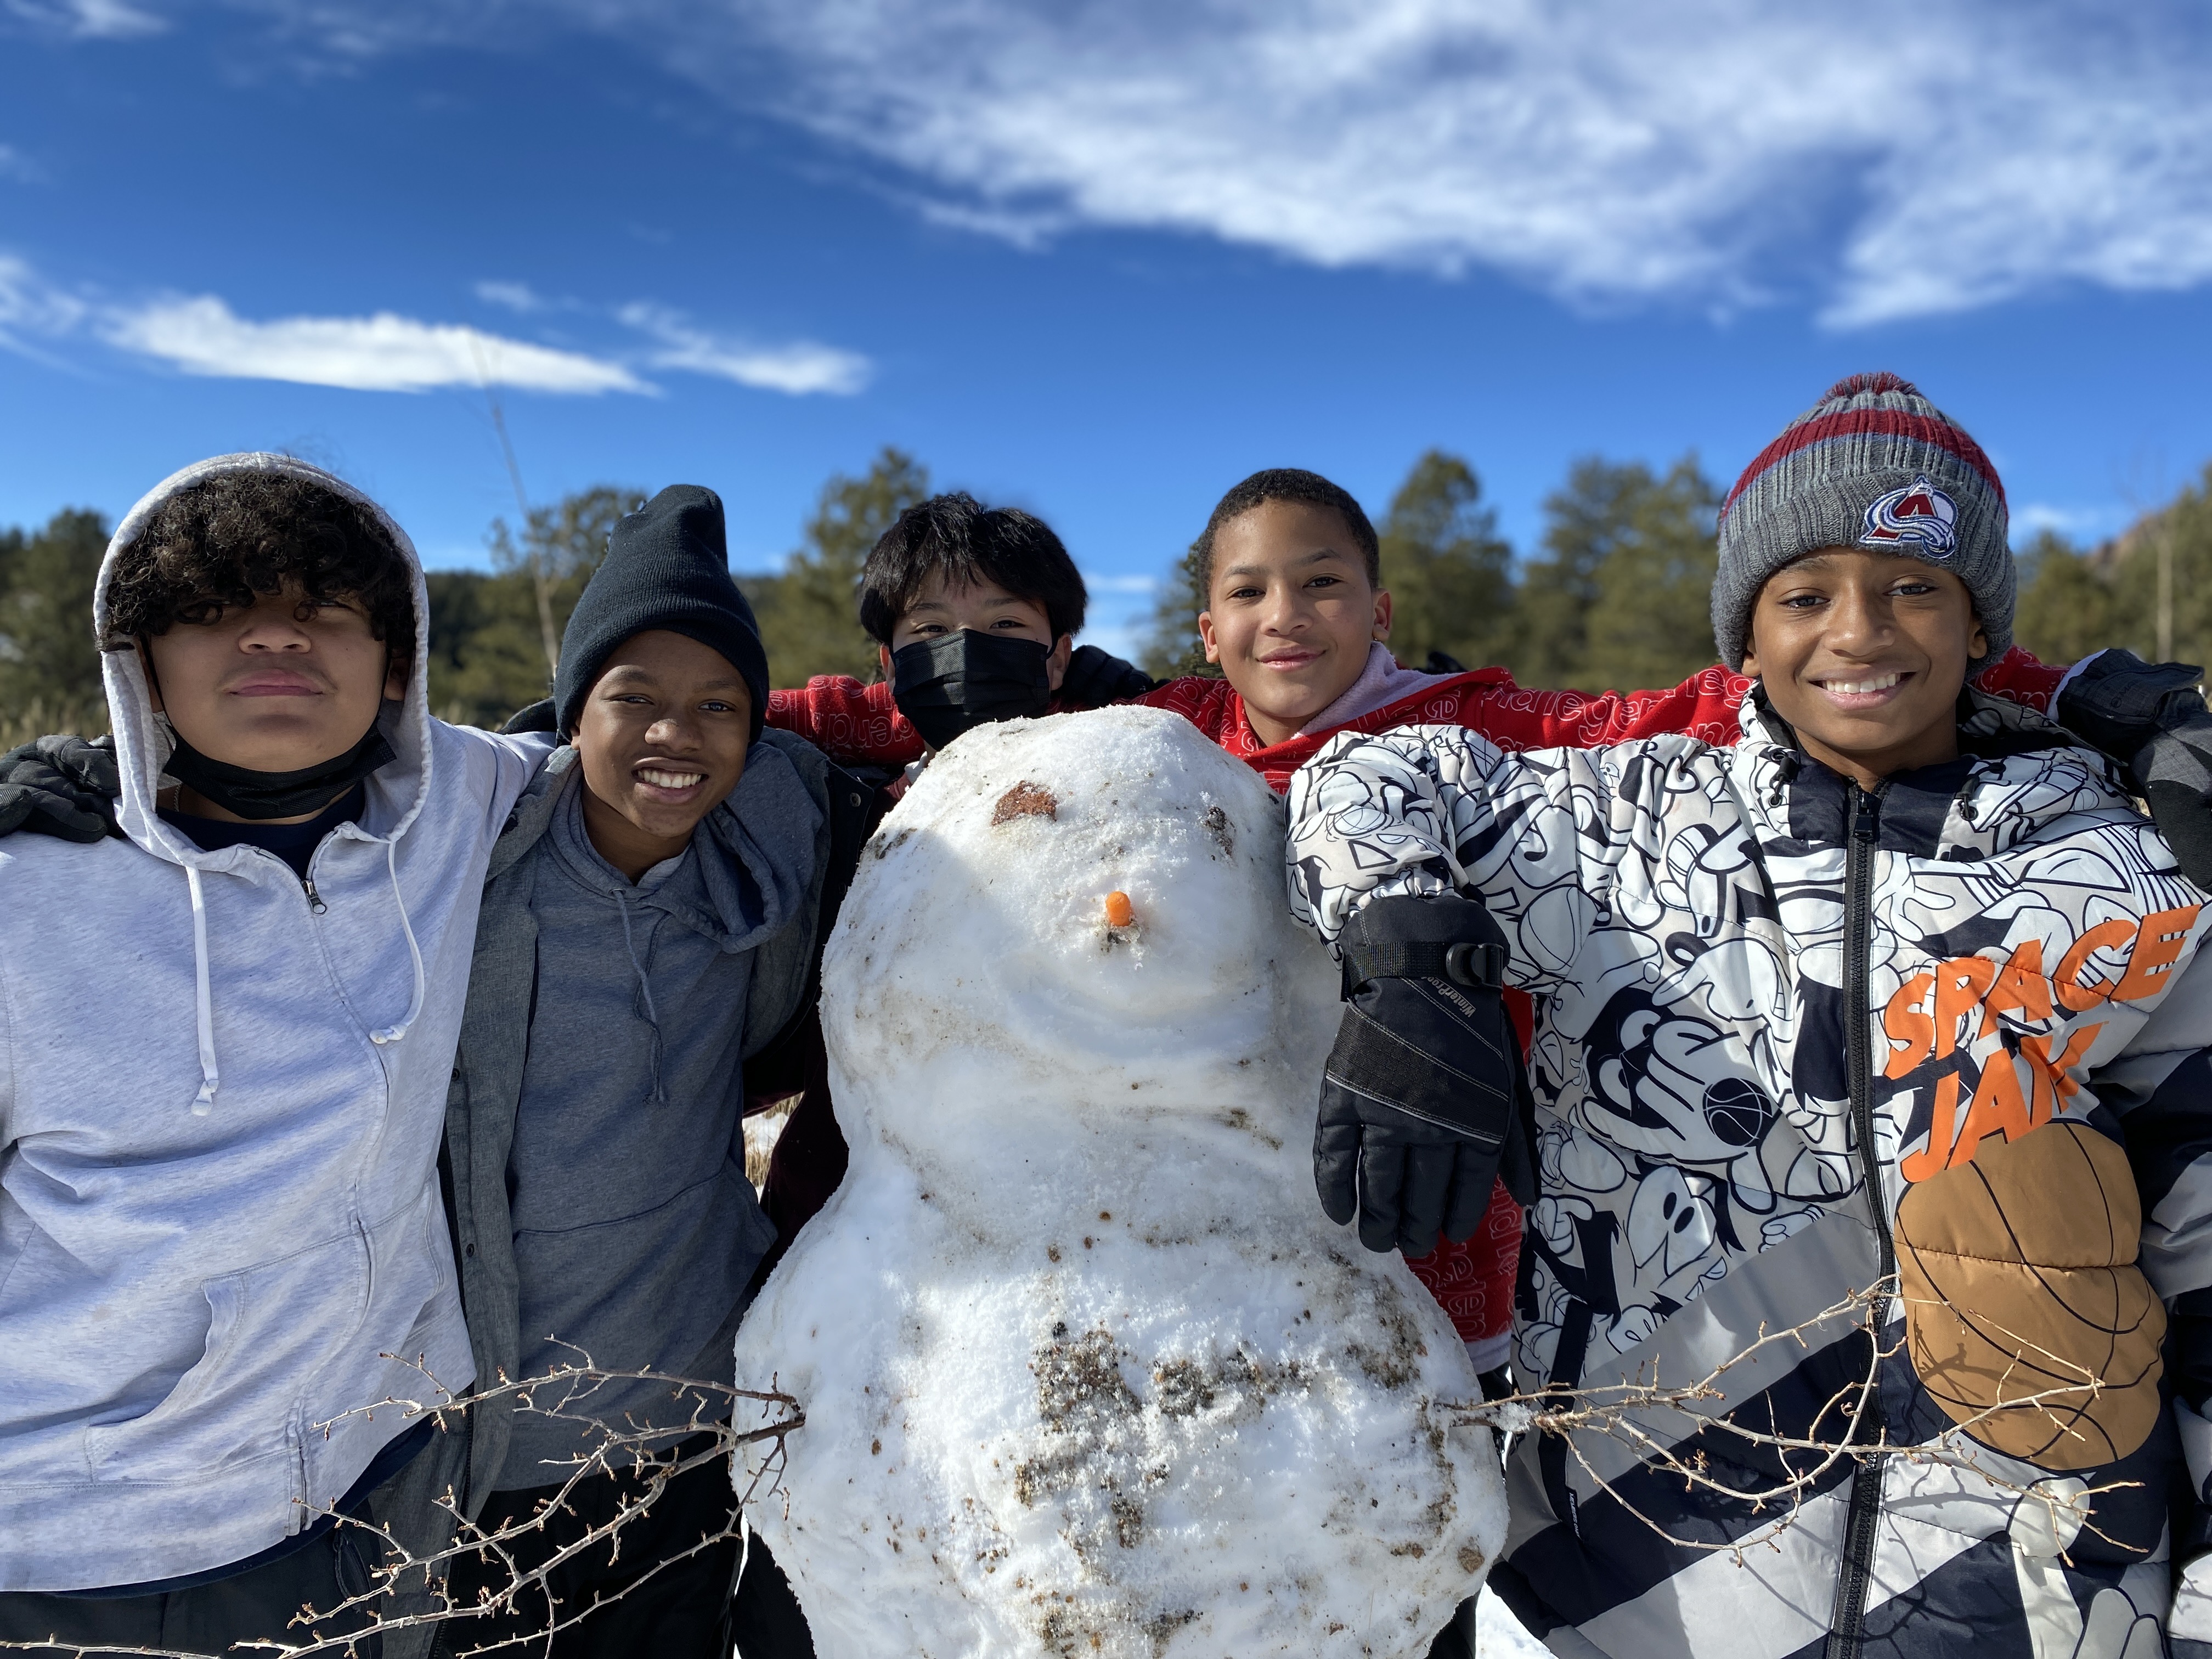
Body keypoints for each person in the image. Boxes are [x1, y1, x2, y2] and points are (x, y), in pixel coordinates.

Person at [1282, 372, 2212, 1655]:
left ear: (1979, 619)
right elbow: (1368, 769)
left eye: (1914, 588)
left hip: (2040, 1577)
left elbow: (2206, 1235)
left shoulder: (2118, 870)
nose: (1861, 634)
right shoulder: (1620, 828)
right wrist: (1407, 957)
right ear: (1747, 630)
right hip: (1650, 1575)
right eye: (1806, 594)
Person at [0, 455, 552, 1653]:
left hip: (377, 1475)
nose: (274, 641)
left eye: (324, 614)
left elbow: (669, 715)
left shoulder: (457, 805)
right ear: (137, 662)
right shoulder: (21, 894)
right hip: (86, 1542)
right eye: (214, 611)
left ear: (395, 661)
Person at [337, 484, 853, 1659]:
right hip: (486, 1442)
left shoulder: (773, 840)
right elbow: (285, 777)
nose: (680, 734)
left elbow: (923, 725)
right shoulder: (463, 860)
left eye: (719, 704)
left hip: (692, 1420)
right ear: (578, 710)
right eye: (637, 699)